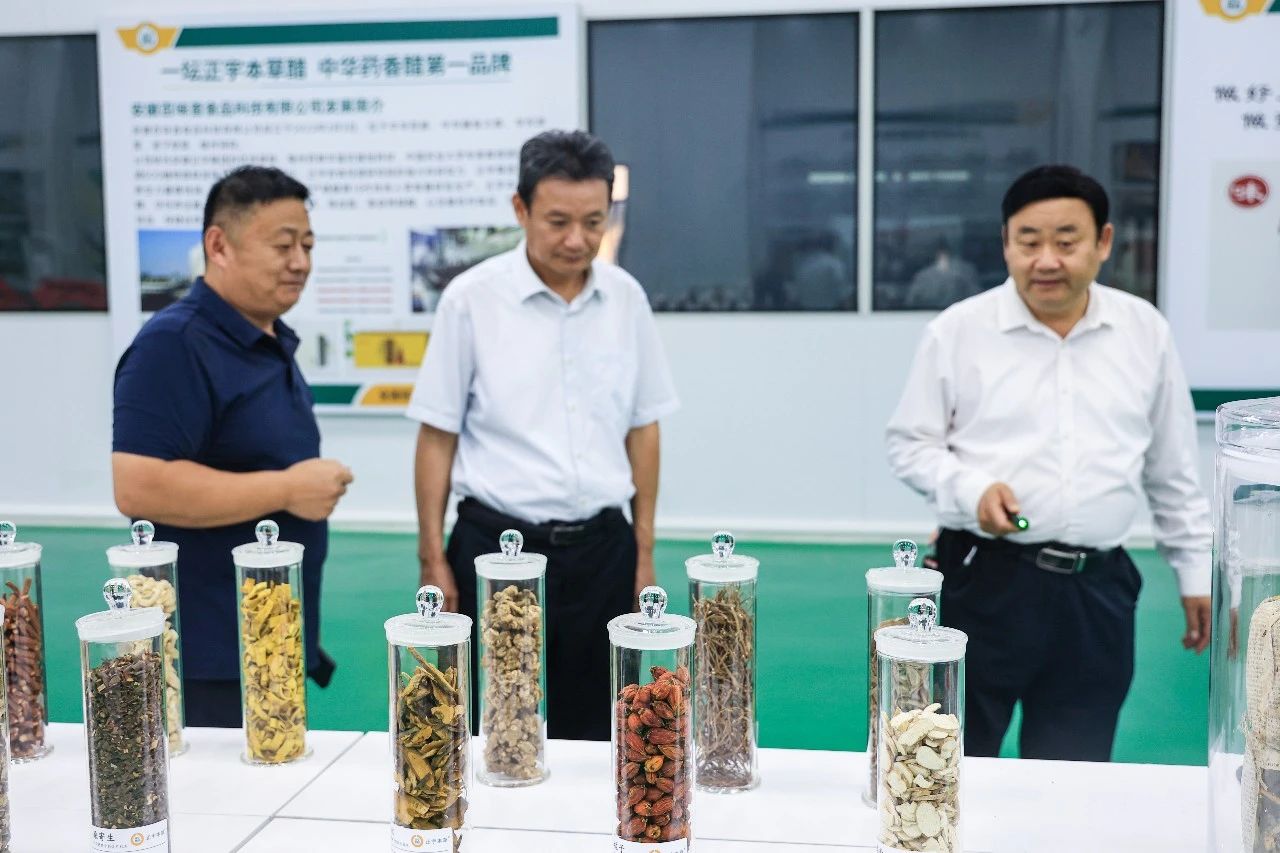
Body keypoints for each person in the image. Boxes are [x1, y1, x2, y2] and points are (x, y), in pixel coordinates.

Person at [885, 164, 1211, 762]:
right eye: (1029, 242)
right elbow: (910, 443)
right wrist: (970, 489)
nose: (1046, 261)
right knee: (950, 760)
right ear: (1005, 243)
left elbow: (1173, 467)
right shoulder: (957, 332)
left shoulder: (1144, 332)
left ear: (1103, 242)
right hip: (984, 578)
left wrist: (1195, 570)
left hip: (1097, 592)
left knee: (1075, 773)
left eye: (1066, 241)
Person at [408, 130, 679, 741]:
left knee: (606, 730)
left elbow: (644, 429)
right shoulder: (471, 301)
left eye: (594, 221)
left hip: (604, 552)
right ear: (520, 209)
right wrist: (432, 559)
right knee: (497, 732)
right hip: (497, 552)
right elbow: (436, 435)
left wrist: (643, 554)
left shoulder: (626, 299)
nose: (577, 239)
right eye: (558, 221)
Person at [112, 166, 353, 726]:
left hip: (270, 639)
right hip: (207, 657)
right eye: (283, 245)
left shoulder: (267, 338)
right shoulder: (175, 343)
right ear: (219, 245)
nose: (300, 262)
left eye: (308, 245)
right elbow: (139, 486)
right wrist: (288, 489)